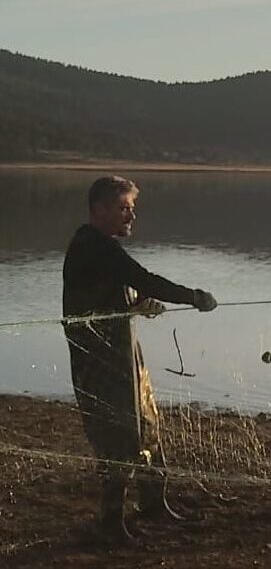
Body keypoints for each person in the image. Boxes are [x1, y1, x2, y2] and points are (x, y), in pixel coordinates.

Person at [62, 175, 218, 544]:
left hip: (123, 353)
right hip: (99, 360)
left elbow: (124, 289)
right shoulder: (92, 244)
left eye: (132, 208)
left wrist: (137, 303)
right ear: (98, 210)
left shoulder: (101, 247)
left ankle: (153, 504)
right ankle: (111, 523)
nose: (131, 216)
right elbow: (143, 278)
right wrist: (194, 296)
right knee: (120, 434)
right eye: (123, 208)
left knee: (148, 424)